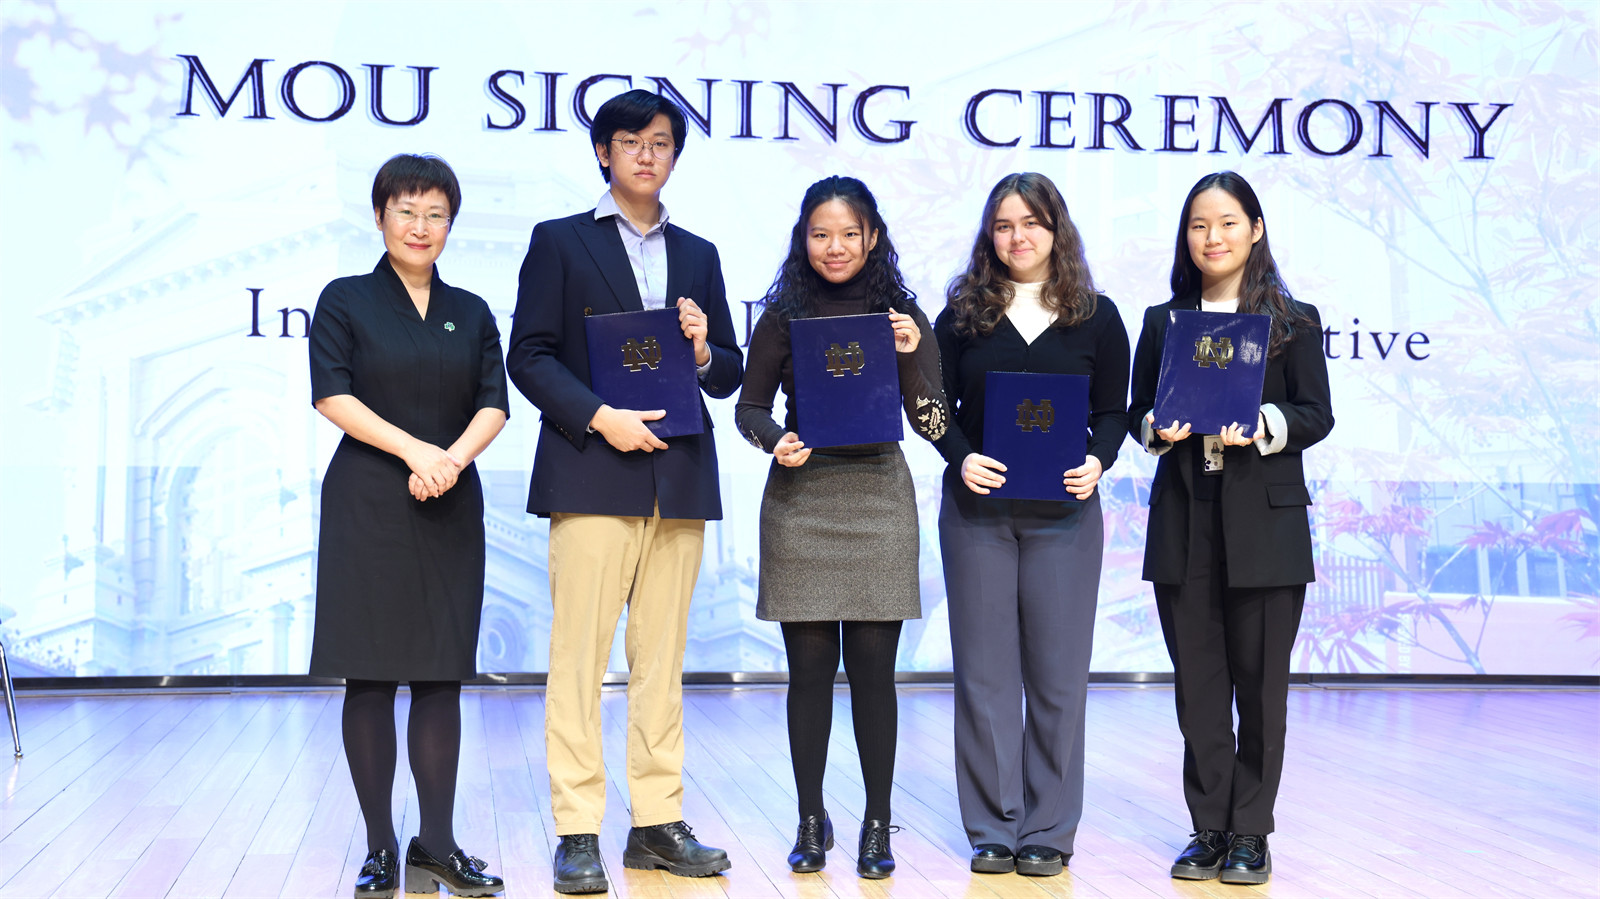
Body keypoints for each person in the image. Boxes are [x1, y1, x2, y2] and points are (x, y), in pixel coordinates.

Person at [504, 89, 743, 895]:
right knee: (578, 659)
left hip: (677, 477)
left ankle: (655, 822)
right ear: (604, 152)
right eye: (631, 140)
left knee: (662, 660)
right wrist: (599, 416)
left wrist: (707, 347)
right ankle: (577, 827)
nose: (648, 153)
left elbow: (729, 374)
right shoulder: (561, 242)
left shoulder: (701, 253)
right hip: (592, 471)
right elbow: (529, 356)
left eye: (663, 141)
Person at [734, 175, 949, 880]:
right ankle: (808, 817)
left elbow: (932, 422)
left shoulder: (902, 312)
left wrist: (917, 350)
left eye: (849, 234)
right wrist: (776, 440)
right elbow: (750, 408)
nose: (835, 246)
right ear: (804, 238)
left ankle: (878, 822)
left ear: (873, 237)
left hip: (879, 499)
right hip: (803, 497)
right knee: (809, 675)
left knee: (874, 675)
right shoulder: (784, 312)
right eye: (821, 234)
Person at [308, 154, 508, 899]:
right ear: (380, 216)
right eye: (406, 211)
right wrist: (415, 450)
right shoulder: (346, 299)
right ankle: (381, 845)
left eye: (436, 214)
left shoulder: (473, 309)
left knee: (438, 673)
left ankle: (438, 843)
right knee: (370, 671)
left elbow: (494, 401)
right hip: (369, 502)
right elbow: (332, 395)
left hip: (450, 503)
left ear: (450, 224)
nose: (421, 227)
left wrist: (450, 460)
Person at [1127, 171, 1333, 885]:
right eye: (1197, 225)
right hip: (1186, 521)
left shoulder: (1293, 319)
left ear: (1256, 228)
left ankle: (1252, 829)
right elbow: (1136, 413)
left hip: (1266, 525)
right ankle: (1208, 826)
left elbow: (1316, 413)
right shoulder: (1164, 320)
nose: (1211, 237)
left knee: (1261, 687)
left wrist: (1266, 425)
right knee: (1200, 689)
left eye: (1226, 222)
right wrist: (1156, 426)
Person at [932, 172, 1129, 877]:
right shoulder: (961, 315)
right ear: (991, 234)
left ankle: (1047, 826)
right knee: (984, 676)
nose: (1019, 236)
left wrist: (1098, 459)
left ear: (1057, 229)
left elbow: (1113, 411)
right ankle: (992, 825)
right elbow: (930, 406)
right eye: (1005, 224)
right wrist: (959, 457)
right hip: (977, 514)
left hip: (1066, 516)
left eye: (1033, 223)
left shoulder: (1097, 316)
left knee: (1056, 677)